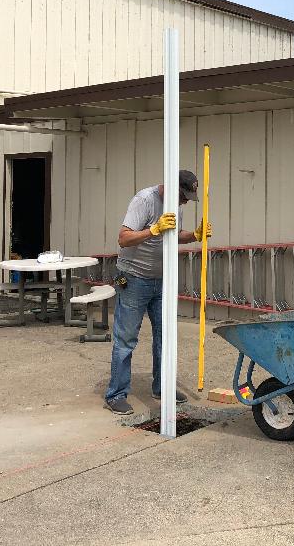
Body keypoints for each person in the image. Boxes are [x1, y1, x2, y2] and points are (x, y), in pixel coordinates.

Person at [103, 169, 212, 415]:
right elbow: (123, 238)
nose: (185, 202)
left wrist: (194, 235)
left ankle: (162, 387)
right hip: (133, 279)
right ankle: (116, 394)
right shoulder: (144, 200)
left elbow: (172, 235)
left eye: (187, 198)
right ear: (172, 188)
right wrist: (153, 230)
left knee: (165, 338)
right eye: (183, 196)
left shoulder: (176, 205)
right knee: (126, 339)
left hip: (161, 281)